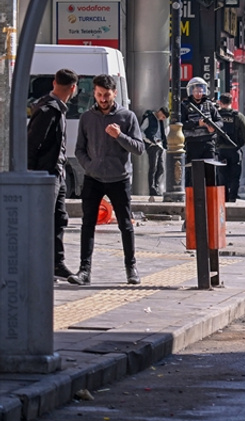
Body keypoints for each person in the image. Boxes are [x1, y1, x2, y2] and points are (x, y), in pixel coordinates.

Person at [68, 74, 146, 286]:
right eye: (99, 95)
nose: (103, 99)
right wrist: (89, 165)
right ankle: (84, 270)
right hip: (93, 178)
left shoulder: (126, 117)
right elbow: (79, 149)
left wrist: (119, 136)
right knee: (88, 224)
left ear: (115, 94)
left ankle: (131, 268)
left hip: (119, 179)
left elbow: (139, 148)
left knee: (125, 225)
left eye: (107, 95)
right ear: (94, 93)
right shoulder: (87, 118)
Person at [28, 68, 77, 279]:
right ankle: (38, 263)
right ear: (73, 88)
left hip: (57, 172)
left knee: (59, 217)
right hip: (47, 173)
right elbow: (32, 145)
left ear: (54, 83)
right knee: (44, 219)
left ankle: (57, 262)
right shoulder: (50, 110)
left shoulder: (55, 107)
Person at [179, 77, 221, 179]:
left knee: (210, 172)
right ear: (191, 91)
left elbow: (219, 121)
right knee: (193, 172)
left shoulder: (209, 105)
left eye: (201, 91)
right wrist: (197, 123)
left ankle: (210, 194)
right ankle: (192, 194)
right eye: (196, 91)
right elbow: (181, 123)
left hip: (208, 142)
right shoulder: (185, 106)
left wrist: (213, 127)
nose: (198, 94)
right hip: (192, 143)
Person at [216, 94, 245, 202]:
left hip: (221, 150)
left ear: (220, 102)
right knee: (234, 175)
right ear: (231, 101)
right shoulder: (238, 116)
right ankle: (232, 197)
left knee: (222, 175)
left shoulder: (216, 115)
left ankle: (223, 198)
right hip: (235, 150)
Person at [140, 107, 168, 197]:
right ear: (159, 112)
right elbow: (141, 130)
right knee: (153, 167)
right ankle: (152, 189)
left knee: (161, 168)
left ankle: (156, 186)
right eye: (163, 117)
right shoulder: (149, 118)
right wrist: (148, 140)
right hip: (152, 145)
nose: (162, 119)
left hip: (160, 145)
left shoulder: (160, 121)